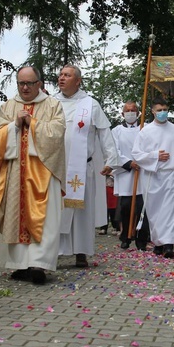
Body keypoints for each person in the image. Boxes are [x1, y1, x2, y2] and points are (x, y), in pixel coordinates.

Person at [0, 66, 66, 284]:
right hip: (15, 170)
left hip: (42, 171)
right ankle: (20, 264)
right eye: (21, 83)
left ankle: (39, 264)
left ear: (39, 84)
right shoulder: (8, 106)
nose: (25, 88)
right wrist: (14, 125)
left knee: (44, 218)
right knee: (15, 214)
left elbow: (57, 133)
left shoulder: (52, 105)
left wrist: (31, 123)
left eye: (29, 83)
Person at [54, 65, 118, 268]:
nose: (62, 78)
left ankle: (81, 252)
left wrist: (111, 160)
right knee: (56, 210)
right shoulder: (51, 102)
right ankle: (54, 250)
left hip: (82, 167)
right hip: (56, 167)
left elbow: (104, 133)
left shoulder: (90, 104)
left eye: (67, 75)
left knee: (82, 211)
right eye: (61, 75)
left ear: (78, 80)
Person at [132, 96, 174, 258]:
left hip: (171, 175)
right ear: (153, 111)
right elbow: (136, 154)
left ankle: (169, 244)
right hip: (152, 176)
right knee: (155, 212)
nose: (162, 113)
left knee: (170, 210)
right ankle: (158, 243)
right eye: (159, 110)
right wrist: (155, 156)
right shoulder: (145, 131)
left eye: (165, 110)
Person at [111, 101, 150, 250]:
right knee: (126, 206)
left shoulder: (145, 128)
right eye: (127, 110)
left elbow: (150, 147)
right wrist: (129, 163)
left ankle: (142, 239)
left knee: (142, 207)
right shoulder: (116, 131)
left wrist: (141, 160)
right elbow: (114, 150)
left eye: (133, 110)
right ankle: (126, 236)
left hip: (143, 172)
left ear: (138, 113)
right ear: (122, 114)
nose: (130, 112)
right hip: (126, 173)